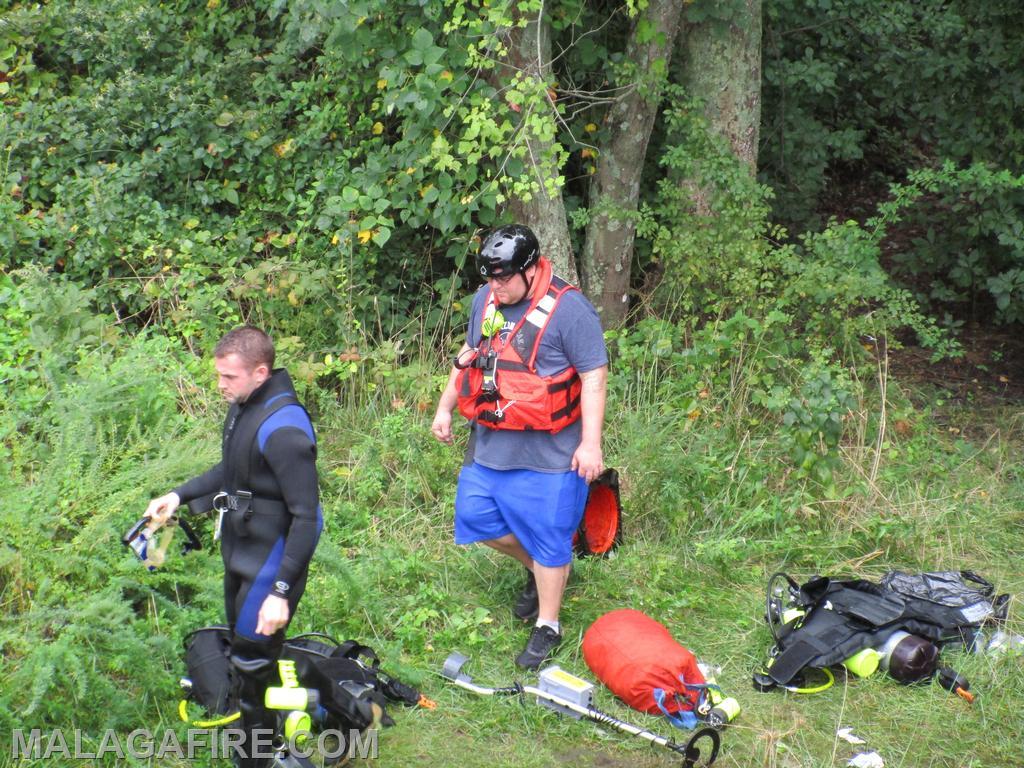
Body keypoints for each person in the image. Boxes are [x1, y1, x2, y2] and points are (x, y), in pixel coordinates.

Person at [431, 224, 608, 669]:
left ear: (530, 270)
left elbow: (594, 377)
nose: (495, 286)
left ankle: (548, 624)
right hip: (490, 445)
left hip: (551, 454)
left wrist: (591, 444)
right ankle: (542, 571)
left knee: (550, 538)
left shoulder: (570, 311)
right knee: (475, 519)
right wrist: (444, 409)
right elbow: (470, 354)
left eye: (504, 277)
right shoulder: (484, 301)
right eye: (490, 277)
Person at [145, 326, 322, 767]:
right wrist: (179, 495)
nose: (220, 385)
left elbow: (308, 517)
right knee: (246, 657)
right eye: (218, 375)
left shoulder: (285, 429)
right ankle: (258, 740)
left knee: (252, 662)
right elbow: (233, 468)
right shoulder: (246, 404)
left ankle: (258, 756)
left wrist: (281, 591)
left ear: (260, 372)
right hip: (241, 552)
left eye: (229, 377)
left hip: (270, 564)